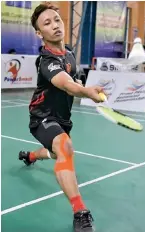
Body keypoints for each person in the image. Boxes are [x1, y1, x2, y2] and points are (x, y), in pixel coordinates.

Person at [18, 4, 105, 232]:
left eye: (57, 19)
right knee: (65, 147)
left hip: (63, 118)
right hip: (42, 117)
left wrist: (81, 86)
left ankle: (30, 156)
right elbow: (65, 83)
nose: (55, 25)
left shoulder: (68, 53)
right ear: (39, 33)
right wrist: (85, 91)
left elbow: (72, 79)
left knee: (58, 152)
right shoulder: (46, 61)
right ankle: (80, 212)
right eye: (47, 23)